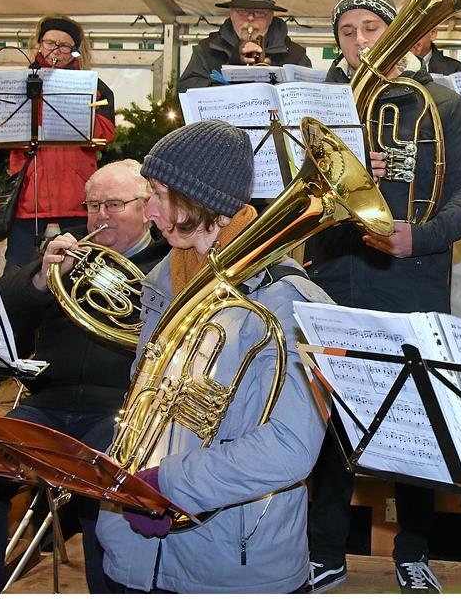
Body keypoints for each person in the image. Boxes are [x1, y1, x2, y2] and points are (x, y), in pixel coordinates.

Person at [304, 0, 461, 593]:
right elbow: (288, 192)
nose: (360, 42)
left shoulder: (440, 101)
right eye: (348, 32)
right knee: (333, 417)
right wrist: (339, 178)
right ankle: (325, 550)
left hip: (411, 276)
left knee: (415, 420)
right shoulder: (326, 104)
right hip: (335, 273)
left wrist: (427, 235)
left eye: (371, 29)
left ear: (402, 34)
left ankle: (414, 551)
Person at [95, 120, 329, 593]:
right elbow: (149, 400)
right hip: (136, 547)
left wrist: (169, 485)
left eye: (159, 194)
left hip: (233, 559)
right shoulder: (165, 275)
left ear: (203, 201)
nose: (149, 210)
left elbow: (290, 446)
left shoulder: (291, 300)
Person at [0, 160, 168, 594]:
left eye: (115, 204)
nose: (101, 215)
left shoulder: (168, 264)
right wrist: (41, 279)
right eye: (93, 205)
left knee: (108, 483)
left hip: (120, 410)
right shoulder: (66, 261)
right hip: (46, 404)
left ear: (146, 209)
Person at [4, 15, 116, 269]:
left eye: (64, 45)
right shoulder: (18, 83)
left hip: (75, 194)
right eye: (50, 42)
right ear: (39, 44)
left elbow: (105, 136)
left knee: (79, 267)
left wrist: (77, 108)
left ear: (75, 50)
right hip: (29, 193)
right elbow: (3, 132)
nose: (56, 49)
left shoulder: (95, 87)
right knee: (17, 269)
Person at [178, 0, 311, 92]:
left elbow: (309, 99)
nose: (250, 18)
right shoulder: (207, 50)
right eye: (242, 11)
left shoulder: (295, 55)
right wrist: (232, 67)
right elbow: (185, 91)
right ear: (231, 13)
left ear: (271, 16)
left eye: (259, 13)